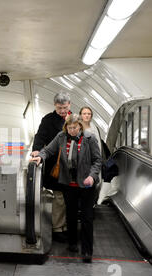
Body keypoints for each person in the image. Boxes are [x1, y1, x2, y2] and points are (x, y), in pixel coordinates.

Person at [30, 114, 102, 263]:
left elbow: (97, 160)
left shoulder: (90, 138)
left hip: (86, 184)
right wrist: (40, 156)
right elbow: (48, 150)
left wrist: (92, 176)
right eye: (69, 128)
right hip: (69, 184)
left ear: (80, 126)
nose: (72, 131)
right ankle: (72, 243)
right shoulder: (61, 137)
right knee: (71, 214)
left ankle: (87, 251)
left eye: (74, 128)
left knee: (87, 217)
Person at [31, 91, 72, 243]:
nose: (62, 111)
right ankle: (58, 228)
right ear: (55, 105)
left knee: (69, 197)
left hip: (72, 166)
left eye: (65, 107)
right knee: (59, 197)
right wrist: (36, 150)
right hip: (55, 164)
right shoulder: (48, 120)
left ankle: (68, 226)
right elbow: (40, 136)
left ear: (69, 105)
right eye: (60, 107)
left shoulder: (74, 118)